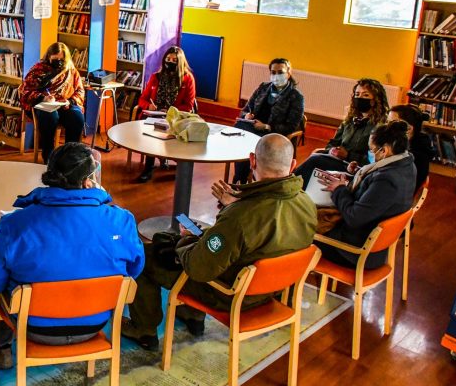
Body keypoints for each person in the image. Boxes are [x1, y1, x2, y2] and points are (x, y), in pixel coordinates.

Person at [122, 135, 316, 347]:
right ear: (293, 165)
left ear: (252, 160)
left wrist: (186, 241)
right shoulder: (306, 204)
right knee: (205, 238)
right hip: (269, 290)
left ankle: (144, 330)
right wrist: (231, 209)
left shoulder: (241, 216)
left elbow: (199, 269)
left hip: (229, 294)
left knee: (146, 257)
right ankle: (192, 317)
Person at [0, 143, 144, 369]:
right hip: (95, 323)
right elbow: (135, 269)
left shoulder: (15, 224)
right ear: (88, 181)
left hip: (33, 327)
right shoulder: (122, 221)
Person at [314, 121, 416, 269]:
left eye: (372, 150)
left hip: (354, 252)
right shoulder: (406, 164)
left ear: (384, 151)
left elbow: (354, 217)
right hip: (371, 244)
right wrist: (359, 173)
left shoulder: (387, 180)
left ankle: (285, 282)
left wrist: (339, 189)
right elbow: (375, 196)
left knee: (299, 230)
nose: (370, 154)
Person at [293, 78, 389, 188]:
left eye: (365, 95)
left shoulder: (381, 126)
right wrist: (333, 150)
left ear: (375, 100)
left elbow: (375, 159)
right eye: (357, 94)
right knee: (315, 156)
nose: (360, 98)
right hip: (339, 160)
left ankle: (290, 186)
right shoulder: (350, 120)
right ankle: (294, 186)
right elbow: (334, 142)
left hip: (357, 168)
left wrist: (348, 155)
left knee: (315, 160)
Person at [233, 58, 305, 184]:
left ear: (288, 73)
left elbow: (291, 126)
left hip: (274, 136)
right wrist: (247, 116)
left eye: (280, 72)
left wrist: (267, 127)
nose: (276, 76)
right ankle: (240, 181)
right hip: (253, 128)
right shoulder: (263, 88)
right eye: (273, 72)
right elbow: (245, 110)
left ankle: (239, 182)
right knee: (240, 129)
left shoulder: (296, 96)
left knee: (248, 144)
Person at [135, 46, 197, 182]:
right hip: (154, 113)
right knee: (149, 127)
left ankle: (173, 160)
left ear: (180, 62)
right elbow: (142, 99)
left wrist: (170, 111)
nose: (170, 62)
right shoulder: (156, 77)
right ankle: (149, 167)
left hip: (175, 116)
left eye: (174, 60)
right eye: (168, 59)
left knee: (170, 127)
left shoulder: (187, 79)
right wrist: (149, 105)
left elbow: (188, 105)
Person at [18, 42, 86, 163]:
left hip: (65, 105)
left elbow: (80, 91)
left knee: (77, 118)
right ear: (49, 57)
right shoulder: (38, 70)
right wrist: (42, 98)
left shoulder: (71, 70)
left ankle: (70, 156)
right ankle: (48, 156)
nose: (59, 62)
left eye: (61, 59)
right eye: (55, 59)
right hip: (45, 105)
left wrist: (70, 101)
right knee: (49, 117)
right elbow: (25, 91)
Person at [388, 104, 434, 190]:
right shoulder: (401, 144)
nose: (387, 127)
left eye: (392, 123)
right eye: (387, 122)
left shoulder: (415, 156)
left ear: (408, 128)